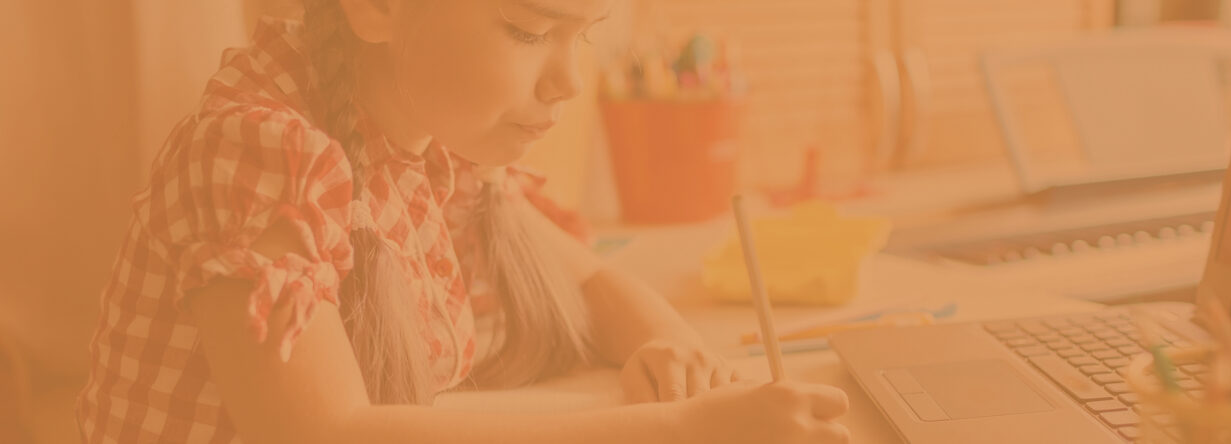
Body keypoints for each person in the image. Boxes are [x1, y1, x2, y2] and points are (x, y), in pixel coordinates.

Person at [74, 1, 851, 443]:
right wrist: (685, 429)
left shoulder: (421, 148)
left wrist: (672, 349)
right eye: (528, 32)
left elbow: (595, 279)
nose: (570, 82)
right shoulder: (259, 153)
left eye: (584, 35)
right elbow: (325, 434)